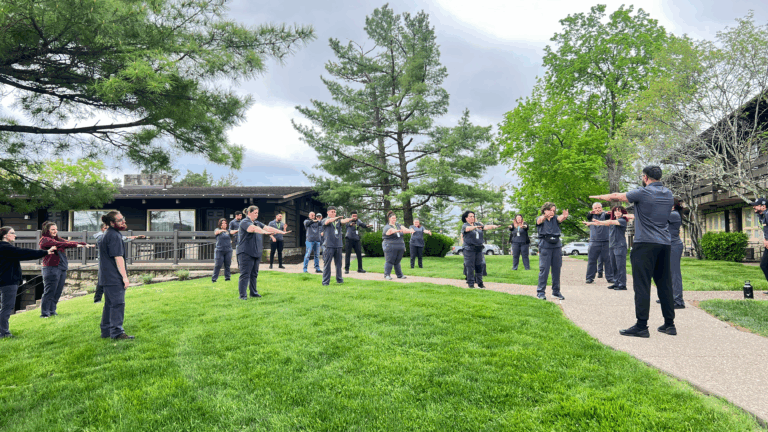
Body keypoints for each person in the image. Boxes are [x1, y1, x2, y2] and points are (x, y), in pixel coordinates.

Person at [590, 165, 676, 338]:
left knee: (642, 284)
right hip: (665, 244)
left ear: (645, 177)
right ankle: (669, 324)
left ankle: (642, 326)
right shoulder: (668, 194)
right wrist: (632, 216)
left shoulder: (643, 192)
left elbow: (617, 197)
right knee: (664, 283)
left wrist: (598, 197)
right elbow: (654, 215)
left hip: (645, 244)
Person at [0, 227, 55, 338]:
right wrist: (45, 252)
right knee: (7, 307)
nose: (15, 235)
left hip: (6, 281)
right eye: (12, 233)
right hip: (8, 282)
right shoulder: (5, 247)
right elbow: (25, 253)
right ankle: (4, 333)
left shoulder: (4, 247)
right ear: (5, 235)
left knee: (5, 307)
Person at [38, 221, 94, 317]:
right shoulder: (45, 240)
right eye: (53, 229)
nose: (55, 231)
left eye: (56, 229)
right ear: (47, 230)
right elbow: (61, 244)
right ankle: (44, 313)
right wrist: (76, 245)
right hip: (51, 268)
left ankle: (52, 311)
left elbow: (66, 242)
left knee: (58, 290)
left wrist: (82, 244)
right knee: (50, 291)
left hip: (61, 267)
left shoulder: (56, 239)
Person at [98, 211, 135, 340]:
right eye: (119, 220)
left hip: (106, 277)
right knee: (118, 304)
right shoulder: (114, 235)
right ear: (112, 223)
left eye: (123, 218)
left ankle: (106, 331)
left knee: (109, 304)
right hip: (113, 277)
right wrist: (125, 277)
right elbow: (118, 258)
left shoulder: (108, 234)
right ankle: (117, 333)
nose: (123, 221)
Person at [236, 206, 286, 299]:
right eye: (255, 213)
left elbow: (267, 227)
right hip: (245, 252)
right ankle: (242, 296)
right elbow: (253, 229)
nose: (257, 215)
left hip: (256, 251)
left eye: (257, 213)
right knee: (245, 274)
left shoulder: (257, 222)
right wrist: (264, 232)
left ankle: (253, 293)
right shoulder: (245, 222)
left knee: (254, 274)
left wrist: (281, 232)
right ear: (249, 213)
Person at [93, 223, 144, 303]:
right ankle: (97, 299)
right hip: (104, 262)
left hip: (114, 260)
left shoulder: (113, 236)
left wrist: (136, 237)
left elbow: (124, 238)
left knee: (116, 278)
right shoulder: (100, 237)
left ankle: (114, 297)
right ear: (103, 229)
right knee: (102, 279)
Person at [584, 206, 633, 291]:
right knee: (613, 265)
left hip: (620, 246)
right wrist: (592, 223)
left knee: (620, 266)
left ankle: (622, 284)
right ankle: (616, 283)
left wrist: (599, 221)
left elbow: (610, 221)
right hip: (612, 246)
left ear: (622, 213)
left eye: (619, 211)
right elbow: (603, 223)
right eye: (615, 211)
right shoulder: (613, 221)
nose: (617, 212)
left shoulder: (622, 220)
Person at [536, 203, 569, 300]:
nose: (552, 212)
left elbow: (561, 218)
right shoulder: (540, 219)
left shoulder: (555, 218)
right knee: (544, 270)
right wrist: (544, 217)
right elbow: (539, 221)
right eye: (550, 210)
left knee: (556, 270)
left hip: (557, 246)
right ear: (544, 210)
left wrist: (565, 216)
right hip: (545, 246)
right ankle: (540, 292)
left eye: (554, 210)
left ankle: (556, 291)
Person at [461, 211, 501, 288]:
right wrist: (476, 227)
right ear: (466, 218)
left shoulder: (478, 224)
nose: (473, 218)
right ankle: (471, 283)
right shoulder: (465, 225)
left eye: (473, 216)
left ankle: (480, 283)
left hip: (478, 248)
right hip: (469, 249)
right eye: (471, 216)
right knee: (470, 266)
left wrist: (495, 226)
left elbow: (486, 227)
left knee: (480, 265)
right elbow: (467, 229)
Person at [321, 207, 353, 285]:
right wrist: (337, 217)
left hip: (338, 245)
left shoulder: (338, 221)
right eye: (332, 211)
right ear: (328, 212)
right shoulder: (324, 220)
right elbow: (328, 221)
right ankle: (325, 282)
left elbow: (343, 221)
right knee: (327, 264)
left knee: (339, 264)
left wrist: (350, 219)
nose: (334, 213)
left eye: (335, 212)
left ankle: (339, 279)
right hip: (328, 245)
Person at [585, 203, 615, 284]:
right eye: (596, 208)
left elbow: (609, 216)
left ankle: (610, 277)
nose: (598, 209)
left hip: (606, 242)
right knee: (592, 260)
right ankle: (589, 278)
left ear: (601, 208)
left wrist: (608, 213)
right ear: (593, 209)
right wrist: (591, 213)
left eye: (599, 207)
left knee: (608, 261)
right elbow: (588, 216)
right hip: (594, 242)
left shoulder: (605, 215)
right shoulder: (591, 217)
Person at [382, 211, 415, 281]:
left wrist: (410, 230)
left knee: (397, 261)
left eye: (395, 218)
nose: (394, 219)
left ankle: (399, 275)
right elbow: (389, 231)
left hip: (400, 246)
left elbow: (404, 230)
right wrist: (395, 231)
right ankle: (387, 275)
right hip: (390, 246)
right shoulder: (387, 227)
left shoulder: (398, 225)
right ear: (389, 218)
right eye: (393, 218)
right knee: (389, 261)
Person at [668, 199, 686, 309]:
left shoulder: (673, 214)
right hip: (668, 245)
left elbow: (654, 217)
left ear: (673, 206)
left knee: (675, 274)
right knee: (667, 273)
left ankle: (678, 301)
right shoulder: (670, 214)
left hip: (674, 246)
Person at [212, 218, 237, 282]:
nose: (224, 224)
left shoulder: (228, 231)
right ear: (220, 224)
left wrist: (238, 230)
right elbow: (216, 232)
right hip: (219, 250)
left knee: (227, 265)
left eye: (225, 223)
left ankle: (227, 278)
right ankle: (214, 279)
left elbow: (232, 231)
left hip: (228, 250)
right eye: (222, 223)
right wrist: (223, 231)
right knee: (218, 265)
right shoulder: (217, 230)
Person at [752, 197, 768, 295]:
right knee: (764, 265)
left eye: (756, 205)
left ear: (763, 206)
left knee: (764, 265)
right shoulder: (762, 216)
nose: (754, 207)